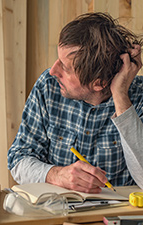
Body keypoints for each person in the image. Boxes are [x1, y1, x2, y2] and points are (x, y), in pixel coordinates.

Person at [8, 12, 143, 193]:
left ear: (99, 83)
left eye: (65, 67)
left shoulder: (139, 97)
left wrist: (120, 95)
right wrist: (57, 174)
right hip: (58, 213)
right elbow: (18, 159)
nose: (53, 71)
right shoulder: (48, 87)